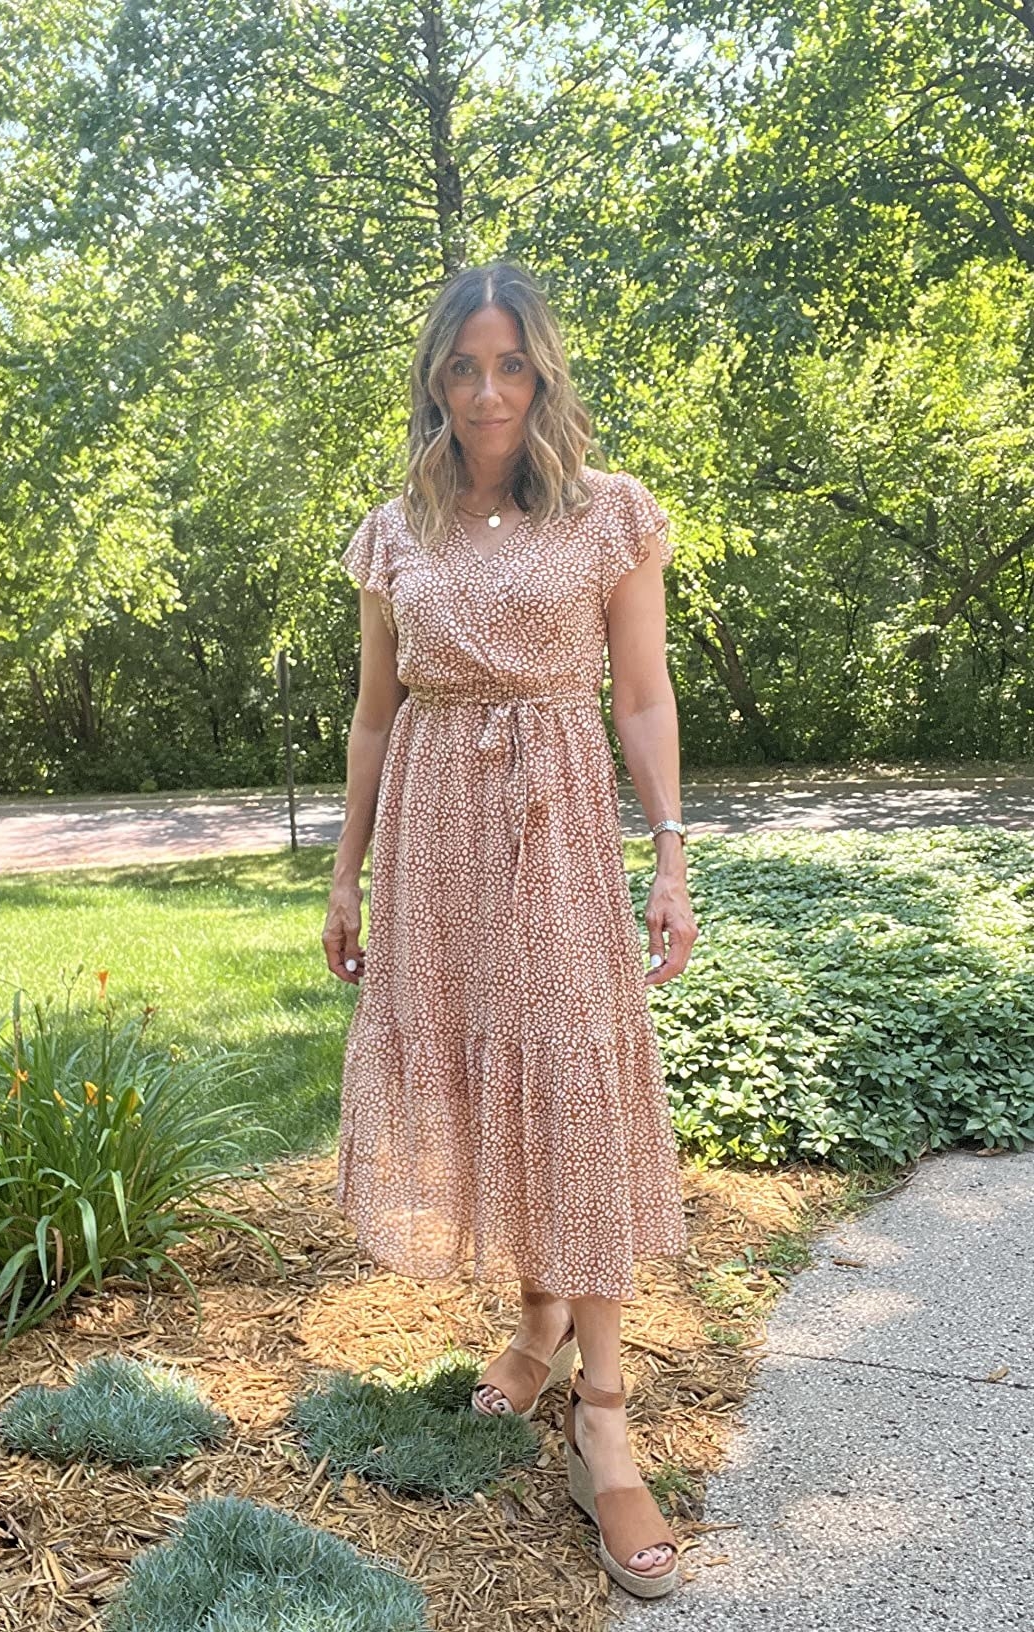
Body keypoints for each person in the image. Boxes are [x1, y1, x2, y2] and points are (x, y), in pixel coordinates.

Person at [322, 260, 699, 1600]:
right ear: (435, 376)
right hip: (430, 841)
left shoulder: (610, 517)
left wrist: (669, 855)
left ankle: (604, 1409)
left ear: (542, 375)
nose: (487, 391)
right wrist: (344, 876)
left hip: (554, 831)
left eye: (512, 365)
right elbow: (372, 717)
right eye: (465, 366)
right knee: (487, 1081)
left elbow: (642, 700)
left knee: (572, 1094)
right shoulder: (395, 530)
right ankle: (534, 1324)